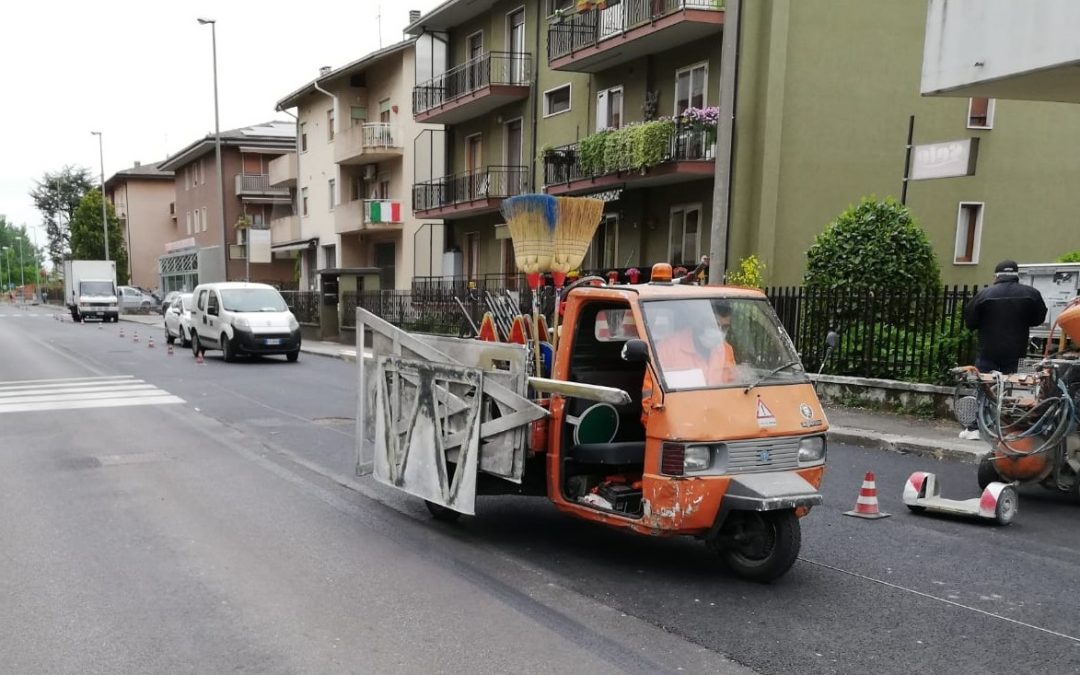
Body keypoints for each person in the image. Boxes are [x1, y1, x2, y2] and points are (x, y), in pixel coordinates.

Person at [958, 259, 1047, 439]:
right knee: (1014, 389)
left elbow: (970, 321)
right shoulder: (1031, 294)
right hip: (1017, 350)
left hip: (988, 350)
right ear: (1016, 275)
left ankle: (976, 427)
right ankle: (1010, 427)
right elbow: (1038, 318)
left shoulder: (984, 295)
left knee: (983, 386)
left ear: (996, 276)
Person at [640, 302, 736, 426]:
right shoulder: (667, 348)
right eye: (714, 325)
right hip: (674, 428)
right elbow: (649, 398)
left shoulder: (725, 350)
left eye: (725, 327)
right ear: (698, 322)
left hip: (715, 425)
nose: (720, 332)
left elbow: (733, 394)